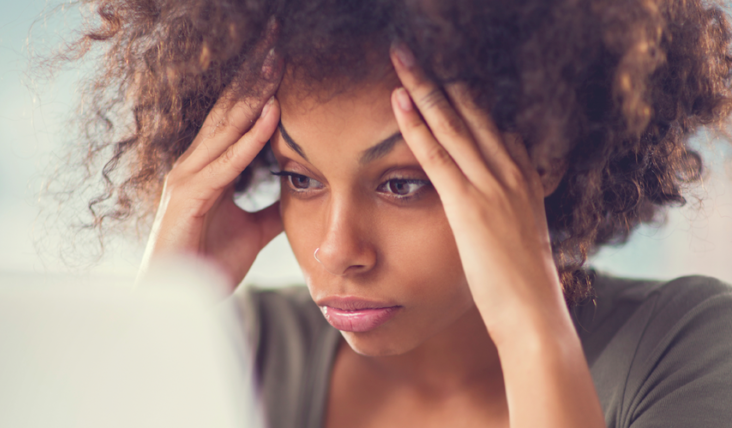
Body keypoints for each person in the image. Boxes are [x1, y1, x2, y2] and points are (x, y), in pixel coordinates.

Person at [54, 0, 732, 426]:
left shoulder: (684, 349)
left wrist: (532, 332)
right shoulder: (242, 351)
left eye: (403, 184)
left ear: (543, 159)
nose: (336, 251)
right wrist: (158, 314)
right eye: (300, 177)